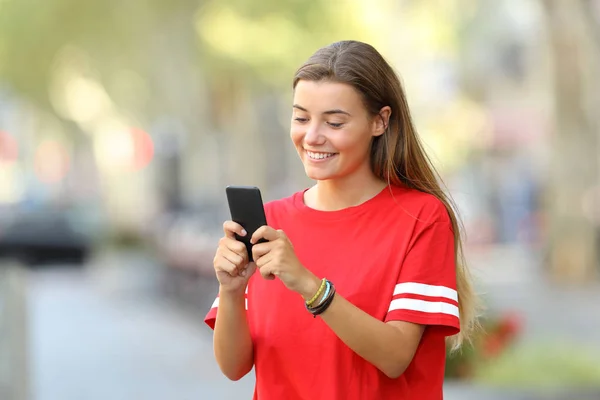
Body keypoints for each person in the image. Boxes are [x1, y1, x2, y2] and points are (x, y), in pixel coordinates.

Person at [205, 40, 478, 400]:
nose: (312, 136)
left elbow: (395, 356)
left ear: (380, 121)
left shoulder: (421, 218)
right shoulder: (270, 224)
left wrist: (308, 284)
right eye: (301, 117)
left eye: (334, 122)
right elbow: (234, 367)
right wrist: (231, 288)